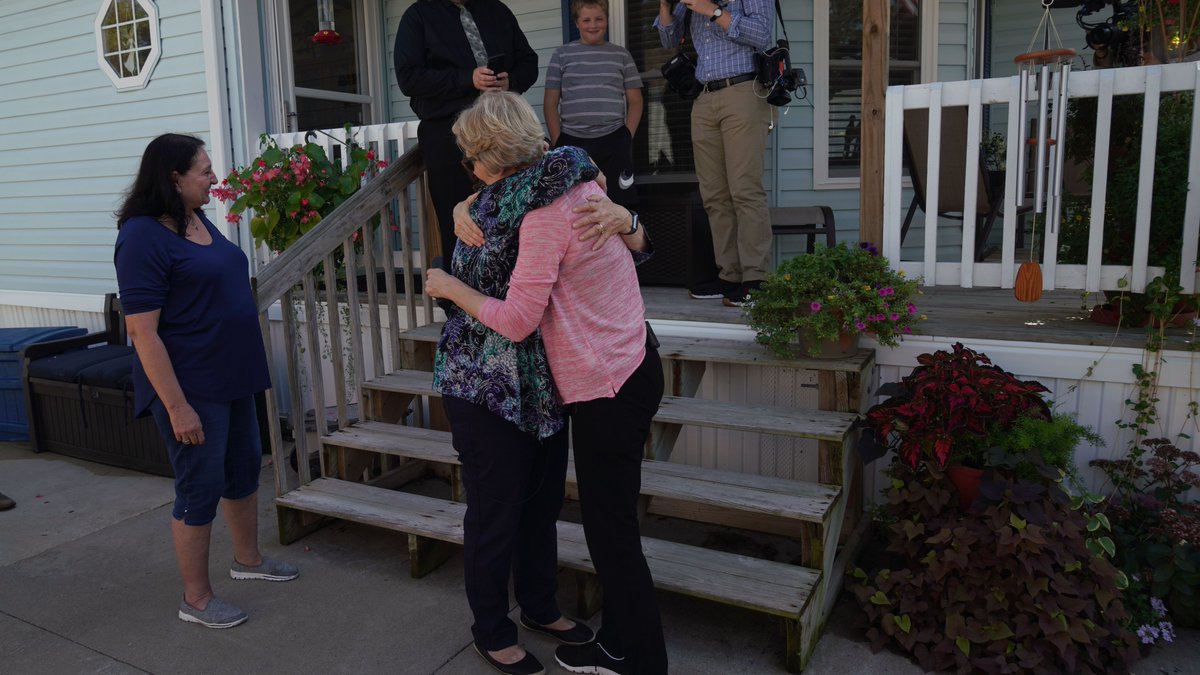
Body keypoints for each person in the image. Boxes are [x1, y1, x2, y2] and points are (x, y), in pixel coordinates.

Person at [426, 91, 667, 675]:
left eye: (469, 159)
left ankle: (633, 656)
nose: (466, 168)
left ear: (491, 157)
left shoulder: (545, 214)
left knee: (610, 530)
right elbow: (512, 194)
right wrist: (467, 204)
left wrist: (449, 287)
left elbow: (516, 319)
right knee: (556, 513)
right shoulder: (572, 176)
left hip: (601, 379)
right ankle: (582, 633)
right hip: (606, 364)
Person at [114, 133, 297, 630]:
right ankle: (196, 599)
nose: (214, 179)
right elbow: (142, 332)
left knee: (242, 470)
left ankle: (249, 561)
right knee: (200, 486)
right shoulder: (141, 236)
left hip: (233, 374)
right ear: (173, 178)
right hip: (192, 386)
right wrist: (177, 407)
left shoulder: (195, 220)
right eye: (204, 171)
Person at [394, 0, 539, 273]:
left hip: (503, 128)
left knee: (519, 209)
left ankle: (520, 286)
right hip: (448, 134)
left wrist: (512, 81)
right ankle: (463, 296)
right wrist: (467, 79)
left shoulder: (497, 10)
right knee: (458, 219)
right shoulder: (418, 16)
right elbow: (408, 78)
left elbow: (529, 61)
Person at [656, 0, 774, 306]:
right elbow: (668, 39)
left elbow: (762, 34)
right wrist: (666, 5)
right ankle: (729, 275)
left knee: (745, 189)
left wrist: (714, 11)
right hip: (704, 96)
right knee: (714, 194)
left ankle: (756, 278)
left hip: (743, 91)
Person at [544, 0, 644, 208]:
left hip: (614, 140)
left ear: (607, 20)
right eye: (586, 20)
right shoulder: (561, 55)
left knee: (621, 203)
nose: (593, 25)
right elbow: (550, 103)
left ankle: (624, 241)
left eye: (599, 19)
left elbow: (635, 101)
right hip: (573, 142)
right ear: (577, 23)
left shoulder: (621, 55)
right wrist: (559, 141)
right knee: (575, 203)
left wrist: (626, 137)